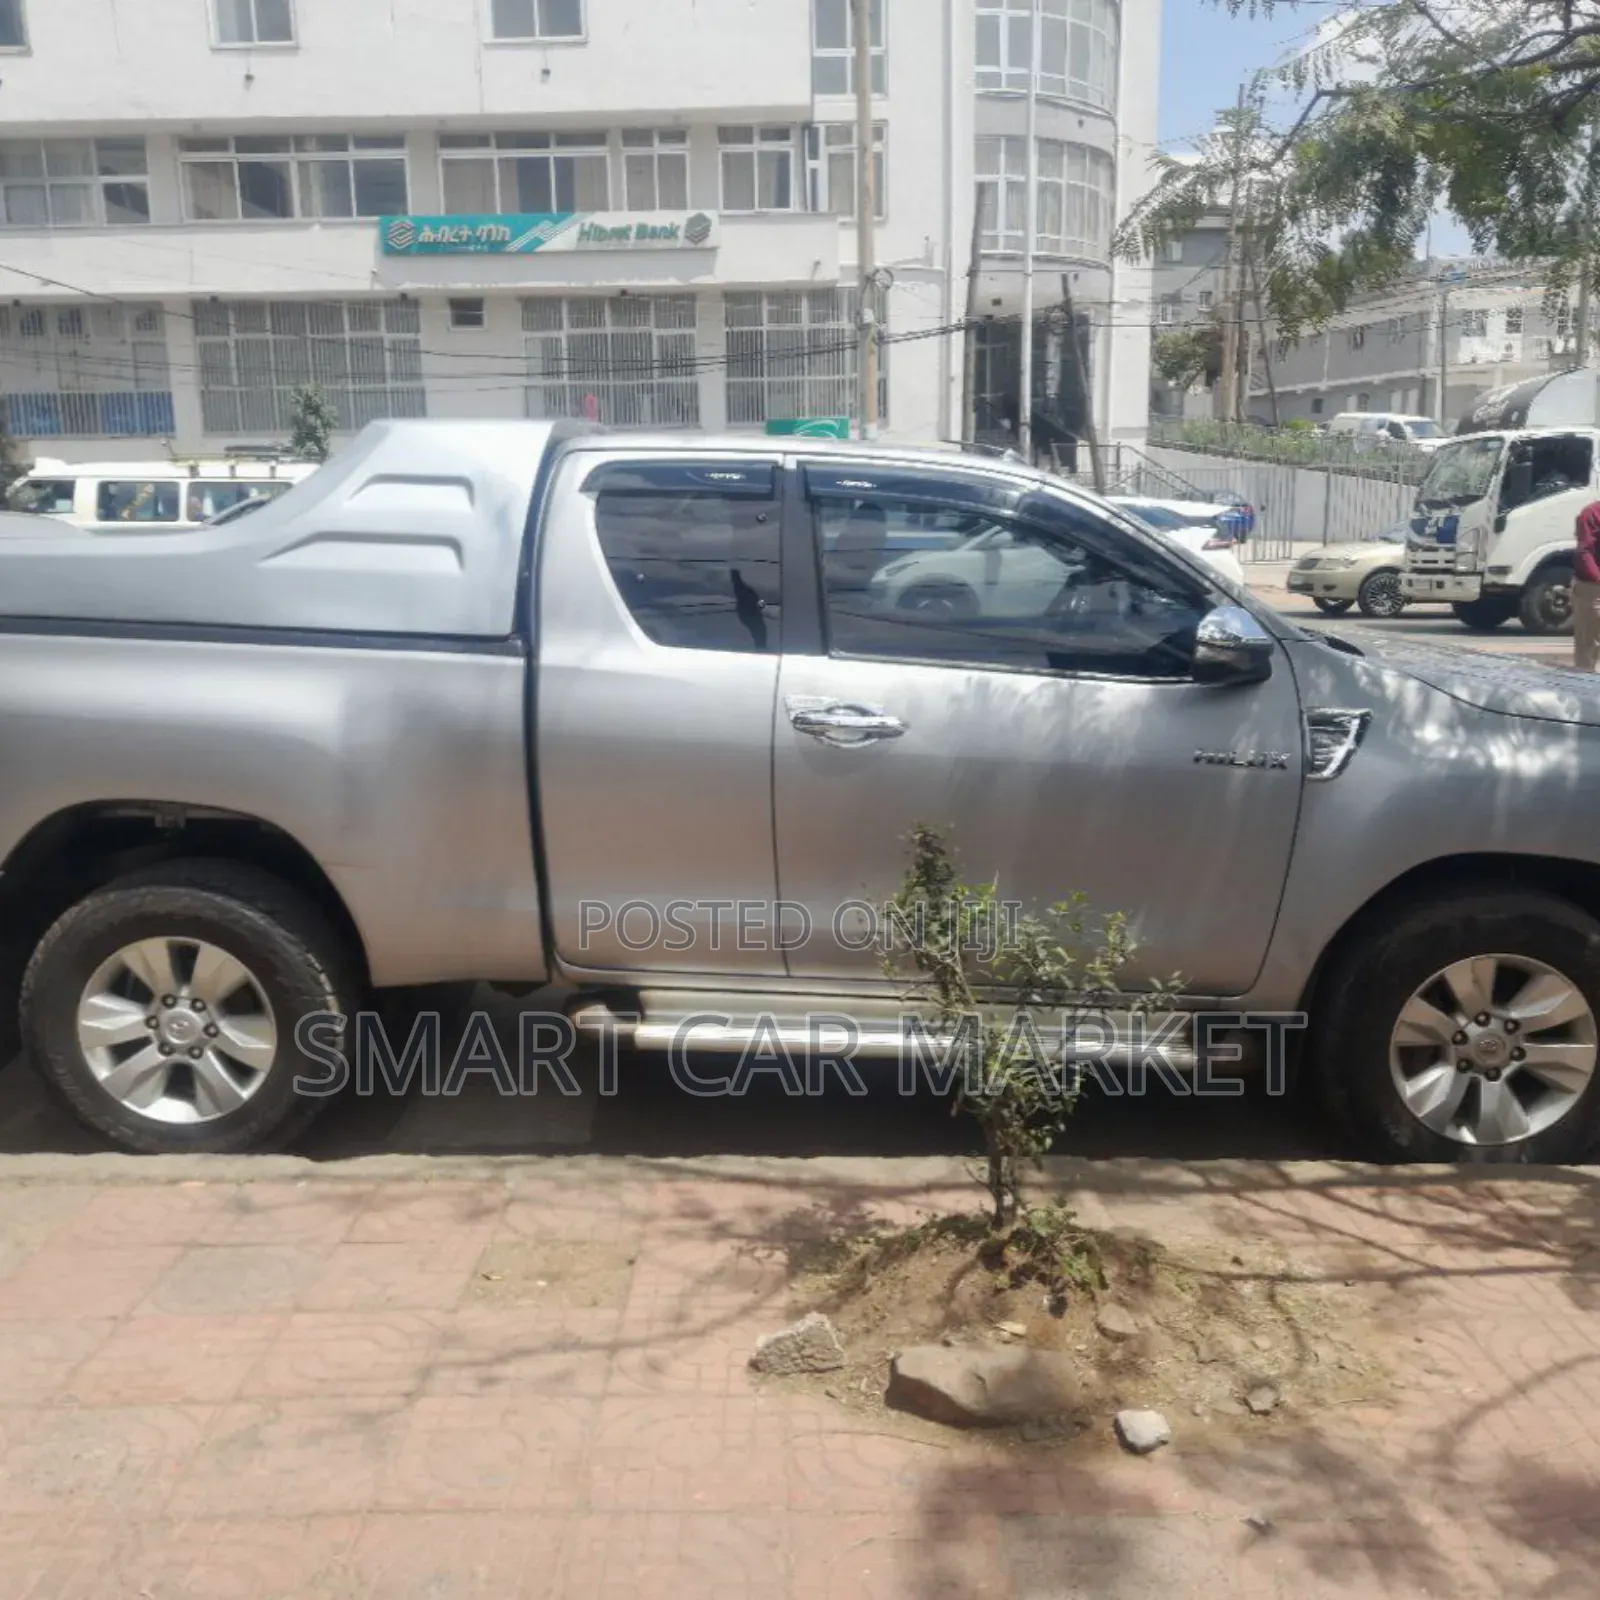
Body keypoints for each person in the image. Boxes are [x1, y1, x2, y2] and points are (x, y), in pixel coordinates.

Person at [1574, 498, 1600, 671]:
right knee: (1589, 643)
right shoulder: (1590, 514)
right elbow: (1585, 551)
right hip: (1592, 587)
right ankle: (1585, 688)